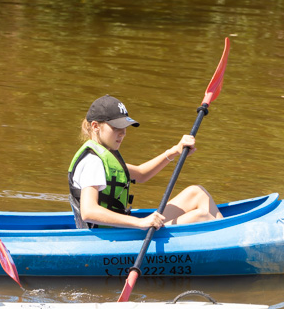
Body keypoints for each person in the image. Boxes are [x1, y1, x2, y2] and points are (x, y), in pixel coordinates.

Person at [68, 95, 223, 230]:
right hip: (112, 237)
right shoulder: (92, 162)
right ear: (95, 126)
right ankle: (232, 247)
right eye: (116, 127)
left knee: (197, 193)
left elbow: (141, 174)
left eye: (125, 127)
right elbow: (89, 212)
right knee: (201, 216)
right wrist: (140, 222)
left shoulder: (103, 156)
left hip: (120, 229)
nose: (122, 133)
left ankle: (228, 239)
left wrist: (174, 151)